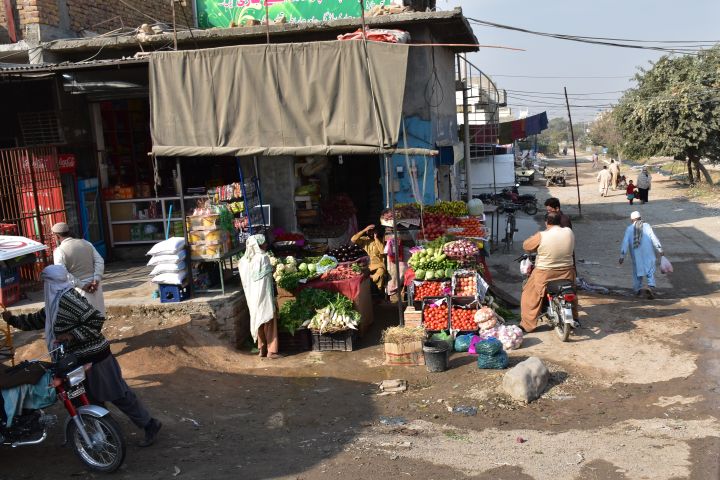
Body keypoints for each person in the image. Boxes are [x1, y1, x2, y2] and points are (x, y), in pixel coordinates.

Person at [1, 265, 162, 446]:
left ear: (52, 282)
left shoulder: (69, 298)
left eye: (45, 282)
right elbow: (37, 320)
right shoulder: (54, 302)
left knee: (117, 394)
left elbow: (96, 320)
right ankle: (104, 432)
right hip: (74, 362)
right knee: (88, 398)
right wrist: (13, 320)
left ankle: (149, 424)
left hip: (95, 358)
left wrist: (72, 335)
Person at [520, 212, 578, 332]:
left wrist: (534, 238)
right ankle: (575, 318)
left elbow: (526, 246)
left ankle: (527, 325)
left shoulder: (542, 235)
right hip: (567, 271)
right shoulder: (569, 232)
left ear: (546, 222)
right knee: (572, 294)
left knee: (529, 295)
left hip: (545, 273)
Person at [238, 234, 280, 359]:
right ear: (258, 245)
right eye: (263, 243)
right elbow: (266, 277)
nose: (266, 245)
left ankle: (261, 349)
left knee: (257, 321)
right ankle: (271, 351)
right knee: (269, 321)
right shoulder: (263, 258)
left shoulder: (243, 261)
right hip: (264, 295)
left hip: (252, 297)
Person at [51, 222, 106, 317]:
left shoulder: (59, 251)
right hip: (96, 287)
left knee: (84, 320)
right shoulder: (86, 243)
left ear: (57, 236)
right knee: (98, 315)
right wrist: (96, 280)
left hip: (79, 290)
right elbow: (99, 261)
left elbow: (63, 274)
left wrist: (83, 285)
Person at [619, 211, 663, 298]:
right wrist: (660, 249)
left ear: (632, 220)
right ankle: (651, 287)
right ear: (640, 218)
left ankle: (637, 290)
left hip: (636, 255)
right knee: (650, 272)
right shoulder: (647, 226)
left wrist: (622, 256)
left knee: (637, 273)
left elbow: (625, 243)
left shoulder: (629, 229)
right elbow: (654, 238)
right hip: (648, 254)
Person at [351, 224, 387, 292]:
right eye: (369, 231)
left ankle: (377, 291)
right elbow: (353, 239)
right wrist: (365, 230)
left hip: (378, 265)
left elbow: (383, 251)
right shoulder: (364, 240)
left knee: (380, 273)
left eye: (373, 231)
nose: (371, 233)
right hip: (366, 265)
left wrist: (376, 239)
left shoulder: (381, 239)